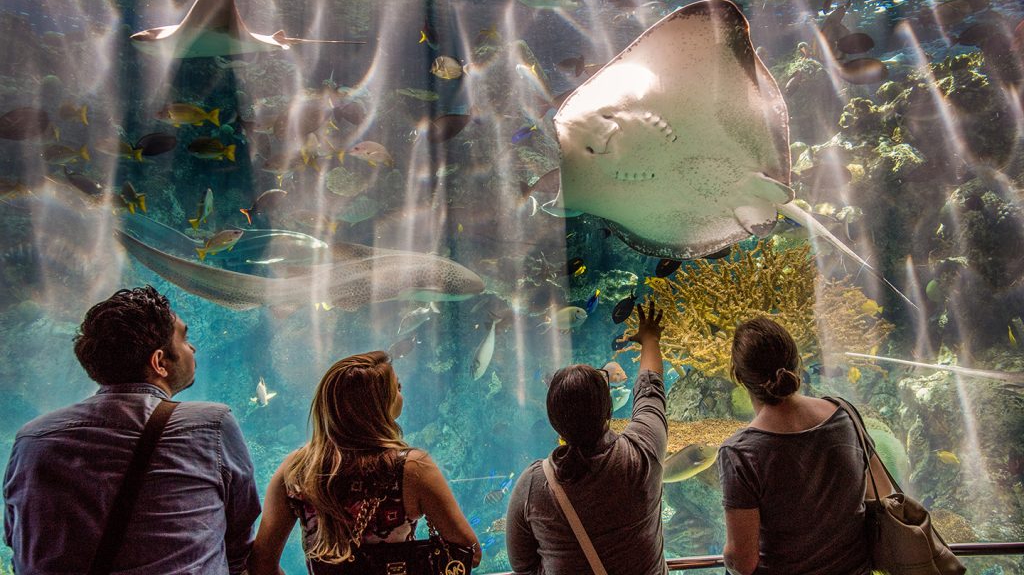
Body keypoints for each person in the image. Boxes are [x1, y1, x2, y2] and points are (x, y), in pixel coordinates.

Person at [3, 285, 261, 574]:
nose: (193, 347)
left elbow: (18, 539)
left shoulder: (32, 438)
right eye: (185, 339)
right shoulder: (210, 424)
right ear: (159, 362)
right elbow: (238, 542)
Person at [247, 351, 481, 574]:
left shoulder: (296, 469)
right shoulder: (412, 468)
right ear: (378, 405)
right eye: (396, 387)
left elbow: (261, 564)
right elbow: (470, 551)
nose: (402, 392)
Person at [719, 317, 894, 575]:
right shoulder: (844, 413)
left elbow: (743, 561)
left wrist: (727, 558)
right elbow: (883, 491)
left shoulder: (739, 454)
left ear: (739, 376)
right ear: (797, 363)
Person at [506, 300, 668, 575]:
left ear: (555, 424)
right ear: (609, 411)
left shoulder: (533, 486)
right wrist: (650, 338)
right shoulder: (641, 453)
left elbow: (523, 565)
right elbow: (650, 393)